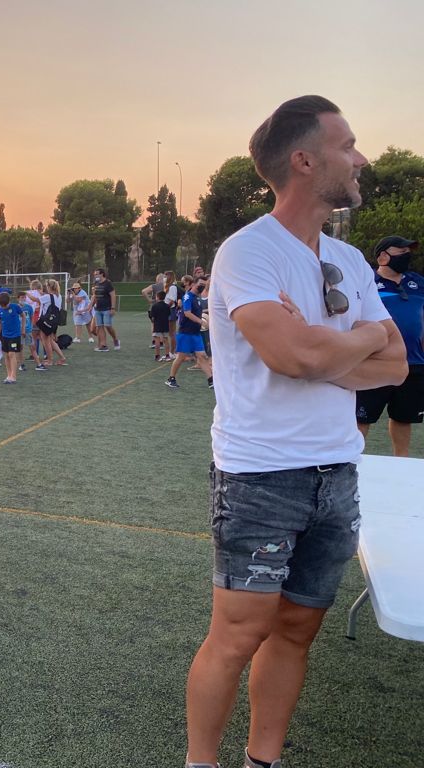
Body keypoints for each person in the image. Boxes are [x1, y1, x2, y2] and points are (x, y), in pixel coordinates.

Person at [184, 96, 406, 768]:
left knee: (297, 629)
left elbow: (395, 364)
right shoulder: (247, 252)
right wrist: (350, 341)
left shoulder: (349, 259)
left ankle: (263, 760)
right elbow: (295, 356)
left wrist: (323, 345)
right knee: (238, 634)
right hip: (261, 476)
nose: (361, 158)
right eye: (348, 145)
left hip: (338, 472)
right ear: (305, 160)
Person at [356, 236, 424, 456]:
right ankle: (352, 460)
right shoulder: (367, 282)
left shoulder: (417, 282)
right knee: (361, 418)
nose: (406, 255)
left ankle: (401, 462)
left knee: (404, 417)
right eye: (401, 251)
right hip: (375, 362)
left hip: (414, 363)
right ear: (383, 257)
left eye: (408, 252)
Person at [165, 275, 213, 388]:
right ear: (193, 284)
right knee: (181, 357)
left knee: (202, 356)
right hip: (186, 333)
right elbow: (187, 313)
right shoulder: (188, 297)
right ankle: (171, 379)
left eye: (204, 285)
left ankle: (211, 380)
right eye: (200, 284)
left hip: (195, 333)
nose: (202, 287)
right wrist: (201, 322)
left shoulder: (197, 298)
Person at [36, 280, 67, 368]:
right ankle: (62, 357)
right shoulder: (58, 296)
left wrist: (27, 293)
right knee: (50, 340)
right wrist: (42, 294)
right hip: (54, 321)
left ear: (49, 287)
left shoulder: (48, 296)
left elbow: (36, 299)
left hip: (46, 321)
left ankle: (50, 360)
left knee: (46, 341)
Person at [0, 291, 24, 383]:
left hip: (15, 335)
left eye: (5, 305)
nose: (4, 307)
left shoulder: (15, 307)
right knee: (6, 355)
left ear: (9, 301)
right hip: (4, 336)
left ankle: (13, 376)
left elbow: (23, 316)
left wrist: (23, 329)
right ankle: (9, 375)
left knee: (11, 354)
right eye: (2, 306)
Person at [91, 269, 119, 351]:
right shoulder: (96, 283)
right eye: (95, 274)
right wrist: (91, 306)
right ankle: (103, 345)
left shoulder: (108, 283)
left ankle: (115, 339)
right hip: (98, 309)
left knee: (108, 326)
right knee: (99, 327)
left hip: (107, 308)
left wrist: (113, 308)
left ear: (102, 274)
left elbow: (113, 295)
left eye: (97, 274)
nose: (95, 276)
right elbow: (95, 296)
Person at [148, 290, 172, 361]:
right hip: (165, 325)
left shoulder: (154, 306)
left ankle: (157, 356)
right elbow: (168, 314)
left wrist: (153, 321)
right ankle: (167, 355)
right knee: (166, 340)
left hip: (157, 325)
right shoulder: (167, 306)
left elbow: (152, 317)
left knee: (157, 340)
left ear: (157, 297)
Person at [163, 270, 179, 358]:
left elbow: (172, 300)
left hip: (170, 310)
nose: (164, 278)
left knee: (172, 333)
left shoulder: (172, 287)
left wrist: (165, 309)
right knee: (170, 333)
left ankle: (173, 352)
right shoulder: (168, 287)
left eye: (165, 276)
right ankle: (172, 351)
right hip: (169, 310)